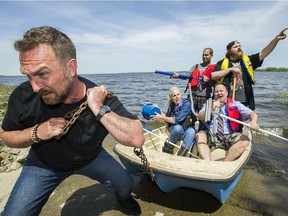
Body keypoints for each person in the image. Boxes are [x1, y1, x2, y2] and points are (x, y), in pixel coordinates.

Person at [0, 26, 144, 216]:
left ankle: (123, 199)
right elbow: (6, 136)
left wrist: (98, 109)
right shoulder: (23, 95)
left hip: (92, 157)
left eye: (42, 74)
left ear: (71, 67)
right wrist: (37, 132)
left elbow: (136, 138)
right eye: (28, 76)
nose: (34, 87)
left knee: (126, 185)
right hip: (44, 163)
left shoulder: (100, 97)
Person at [211, 28, 287, 110]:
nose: (239, 48)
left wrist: (275, 40)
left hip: (243, 100)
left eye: (240, 46)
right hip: (226, 100)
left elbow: (264, 52)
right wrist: (230, 70)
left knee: (240, 121)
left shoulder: (248, 60)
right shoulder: (221, 63)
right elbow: (213, 76)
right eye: (235, 47)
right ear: (229, 50)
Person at [195, 82, 259, 161]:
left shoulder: (235, 104)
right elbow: (200, 116)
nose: (219, 93)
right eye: (216, 91)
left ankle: (225, 163)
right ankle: (207, 163)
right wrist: (211, 108)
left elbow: (253, 114)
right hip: (211, 135)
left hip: (229, 135)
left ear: (227, 92)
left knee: (245, 141)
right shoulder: (209, 104)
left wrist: (254, 122)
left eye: (221, 91)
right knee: (199, 136)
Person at [151, 87, 196, 156]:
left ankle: (180, 156)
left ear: (181, 94)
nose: (177, 97)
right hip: (176, 130)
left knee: (192, 131)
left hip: (186, 130)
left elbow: (177, 120)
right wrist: (158, 112)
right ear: (170, 97)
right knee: (178, 128)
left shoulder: (187, 104)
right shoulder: (171, 105)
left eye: (178, 94)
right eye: (174, 95)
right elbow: (167, 118)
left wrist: (161, 117)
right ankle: (168, 147)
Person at [172, 48, 216, 113]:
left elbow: (216, 84)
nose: (204, 57)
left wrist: (208, 80)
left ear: (211, 55)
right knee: (189, 115)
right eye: (203, 55)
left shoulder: (214, 68)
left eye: (206, 55)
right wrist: (178, 75)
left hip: (204, 97)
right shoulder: (196, 66)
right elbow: (187, 75)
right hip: (192, 96)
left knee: (203, 116)